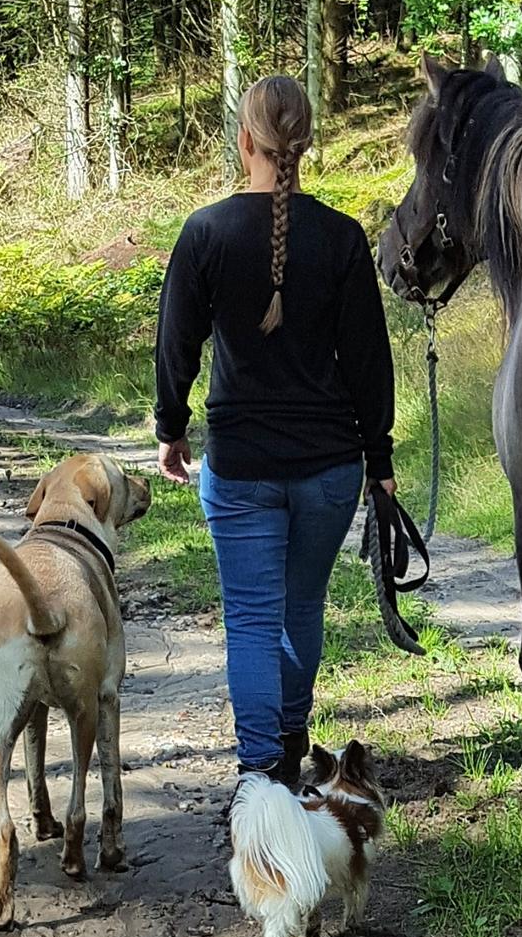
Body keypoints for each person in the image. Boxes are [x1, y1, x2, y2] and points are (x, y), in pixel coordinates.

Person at [154, 75, 396, 787]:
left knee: (255, 623)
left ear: (246, 141)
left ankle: (260, 775)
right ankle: (290, 747)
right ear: (307, 143)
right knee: (300, 611)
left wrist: (171, 427)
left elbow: (176, 344)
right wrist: (377, 458)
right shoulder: (344, 238)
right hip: (328, 470)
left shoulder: (206, 232)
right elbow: (369, 364)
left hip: (241, 465)